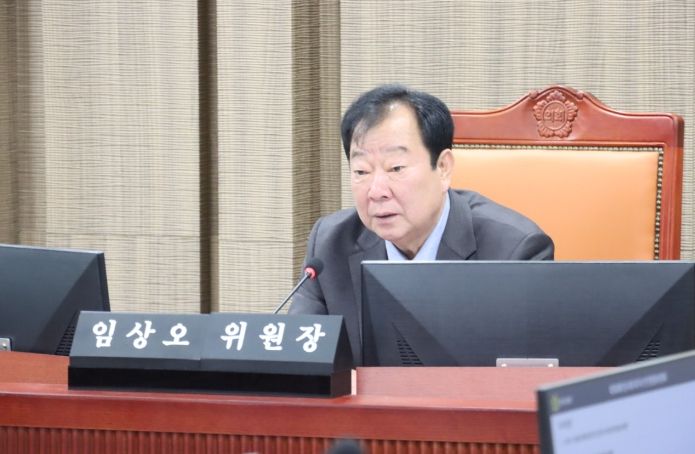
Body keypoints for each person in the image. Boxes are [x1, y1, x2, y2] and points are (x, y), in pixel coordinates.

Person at [289, 84, 553, 364]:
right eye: (361, 171)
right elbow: (300, 364)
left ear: (443, 168)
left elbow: (525, 377)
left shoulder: (513, 252)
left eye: (396, 168)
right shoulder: (330, 246)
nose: (377, 191)